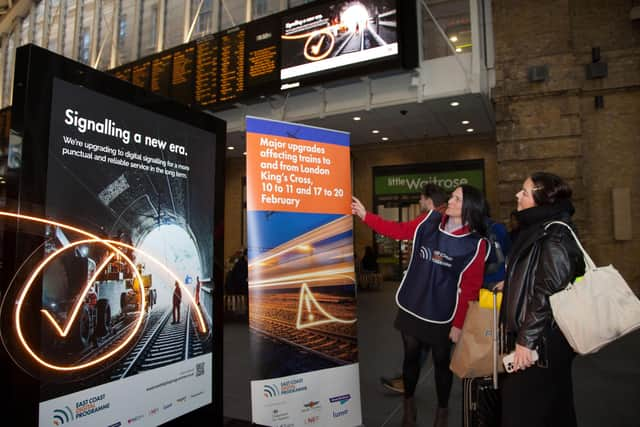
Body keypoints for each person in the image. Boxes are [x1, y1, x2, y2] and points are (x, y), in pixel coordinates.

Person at [352, 184, 487, 427]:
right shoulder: (428, 222)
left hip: (442, 313)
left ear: (470, 207)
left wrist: (458, 324)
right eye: (452, 197)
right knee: (410, 357)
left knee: (441, 364)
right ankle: (409, 405)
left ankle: (442, 413)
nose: (451, 201)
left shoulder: (475, 244)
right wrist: (365, 216)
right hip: (413, 303)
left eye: (457, 199)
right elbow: (398, 230)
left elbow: (470, 288)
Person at [499, 172, 585, 427]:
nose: (517, 195)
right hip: (545, 338)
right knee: (554, 408)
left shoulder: (554, 233)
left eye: (524, 192)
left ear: (541, 200)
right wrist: (513, 282)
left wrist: (527, 341)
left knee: (519, 409)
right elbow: (539, 273)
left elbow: (548, 291)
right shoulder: (541, 227)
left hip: (542, 341)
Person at [366, 184, 448, 395]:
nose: (419, 202)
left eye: (421, 198)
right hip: (443, 296)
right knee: (432, 349)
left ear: (429, 200)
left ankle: (410, 387)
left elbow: (399, 231)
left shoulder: (428, 220)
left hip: (425, 296)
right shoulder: (450, 219)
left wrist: (366, 216)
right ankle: (436, 404)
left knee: (419, 345)